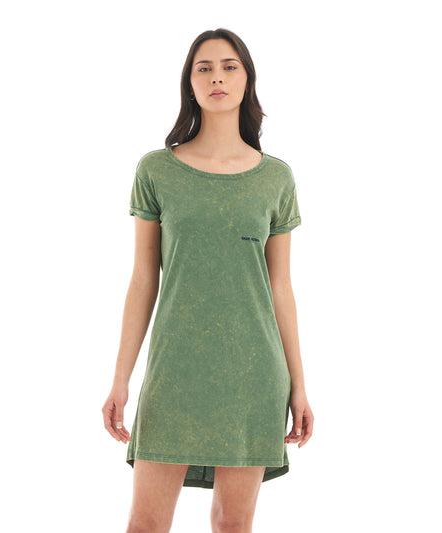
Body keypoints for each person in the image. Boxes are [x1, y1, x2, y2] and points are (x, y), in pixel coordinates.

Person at [102, 28, 314, 533]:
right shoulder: (157, 170)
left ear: (246, 80)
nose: (217, 77)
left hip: (253, 375)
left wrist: (300, 385)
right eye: (205, 68)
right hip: (174, 370)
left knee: (232, 525)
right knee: (145, 524)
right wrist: (120, 379)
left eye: (229, 66)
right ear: (190, 84)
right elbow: (143, 280)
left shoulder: (275, 178)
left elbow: (281, 288)